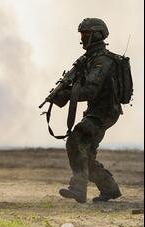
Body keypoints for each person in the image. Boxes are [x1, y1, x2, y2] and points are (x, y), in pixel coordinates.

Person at [52, 18, 124, 203]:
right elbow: (74, 81)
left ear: (97, 35)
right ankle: (110, 189)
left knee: (76, 141)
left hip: (106, 111)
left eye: (86, 34)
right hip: (97, 110)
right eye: (82, 35)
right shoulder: (87, 59)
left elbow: (91, 90)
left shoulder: (103, 60)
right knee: (86, 153)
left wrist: (68, 94)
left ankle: (78, 188)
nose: (83, 38)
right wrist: (59, 93)